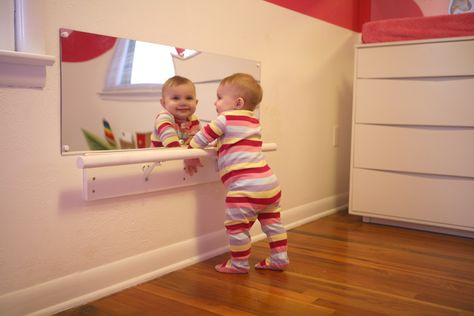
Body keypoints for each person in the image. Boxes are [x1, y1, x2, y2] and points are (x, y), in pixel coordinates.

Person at [189, 73, 289, 274]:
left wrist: (189, 146)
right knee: (273, 224)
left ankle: (239, 263)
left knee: (236, 227)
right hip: (269, 183)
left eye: (219, 97)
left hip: (245, 188)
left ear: (237, 102)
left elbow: (200, 139)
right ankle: (279, 258)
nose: (215, 103)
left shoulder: (225, 119)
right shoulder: (254, 122)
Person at [151, 75, 202, 174]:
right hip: (157, 164)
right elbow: (170, 139)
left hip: (177, 161)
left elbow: (198, 140)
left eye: (188, 98)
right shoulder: (164, 117)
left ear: (196, 102)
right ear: (163, 103)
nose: (183, 102)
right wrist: (187, 156)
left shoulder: (194, 120)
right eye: (175, 98)